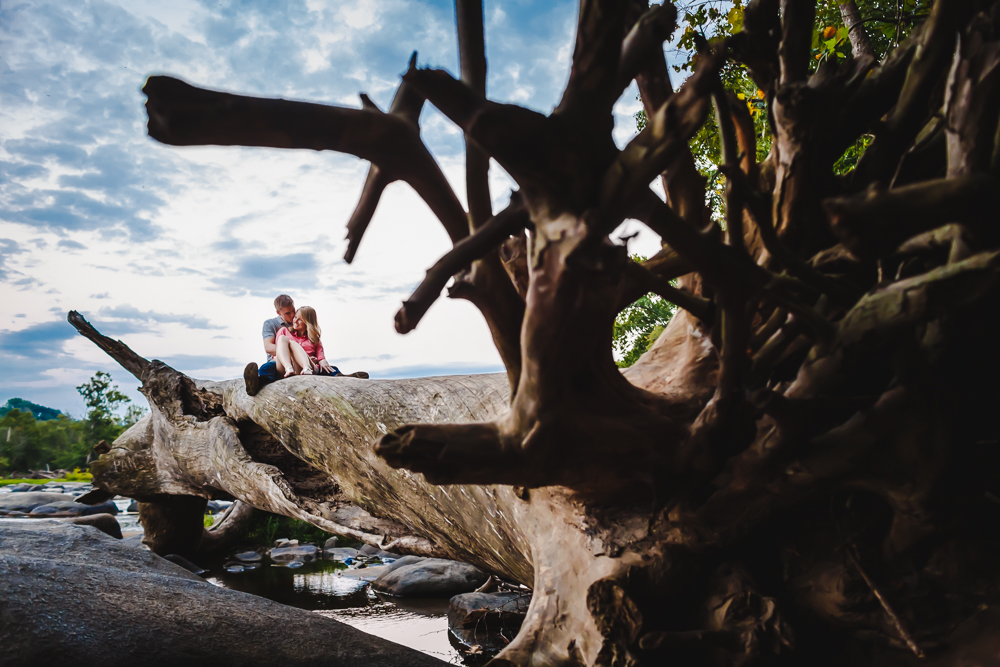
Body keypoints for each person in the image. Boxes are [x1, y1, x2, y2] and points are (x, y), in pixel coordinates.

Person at [244, 294, 296, 396]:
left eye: (293, 311)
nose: (292, 315)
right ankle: (256, 383)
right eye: (288, 313)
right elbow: (269, 347)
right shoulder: (270, 324)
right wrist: (290, 352)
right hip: (277, 362)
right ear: (278, 312)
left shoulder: (298, 322)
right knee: (267, 368)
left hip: (298, 362)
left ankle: (336, 376)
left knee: (327, 367)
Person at [273, 306, 337, 377]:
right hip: (285, 367)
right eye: (295, 317)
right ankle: (289, 368)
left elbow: (321, 359)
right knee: (282, 338)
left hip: (307, 367)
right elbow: (275, 357)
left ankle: (306, 368)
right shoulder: (284, 331)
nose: (295, 321)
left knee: (293, 343)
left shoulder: (314, 339)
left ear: (308, 322)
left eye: (300, 319)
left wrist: (321, 361)